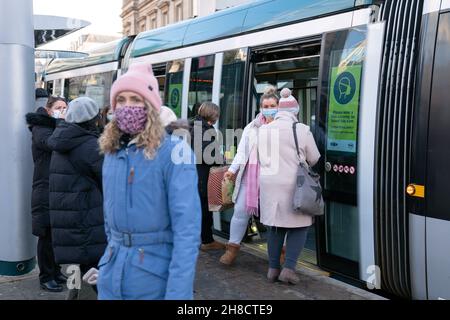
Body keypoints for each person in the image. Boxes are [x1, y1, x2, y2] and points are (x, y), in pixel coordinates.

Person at [97, 63, 201, 300]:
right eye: (120, 100)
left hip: (153, 279)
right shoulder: (111, 151)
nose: (127, 106)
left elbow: (187, 232)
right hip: (112, 274)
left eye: (135, 99)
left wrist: (178, 294)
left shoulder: (174, 151)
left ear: (150, 105)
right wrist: (107, 261)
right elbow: (107, 217)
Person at [258, 88, 320, 284]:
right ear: (295, 111)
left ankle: (273, 268)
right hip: (293, 185)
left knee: (275, 227)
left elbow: (261, 157)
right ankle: (289, 269)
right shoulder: (302, 130)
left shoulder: (264, 129)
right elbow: (314, 157)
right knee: (299, 226)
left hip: (268, 184)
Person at [47, 97, 106, 297]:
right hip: (87, 215)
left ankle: (74, 294)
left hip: (68, 215)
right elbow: (105, 181)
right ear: (93, 118)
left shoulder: (61, 139)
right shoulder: (90, 145)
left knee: (77, 263)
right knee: (96, 268)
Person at [219, 86, 278, 265]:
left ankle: (278, 253)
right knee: (240, 212)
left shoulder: (283, 127)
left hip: (273, 180)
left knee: (274, 218)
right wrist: (232, 170)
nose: (269, 109)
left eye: (272, 105)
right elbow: (242, 153)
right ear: (260, 107)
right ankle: (232, 249)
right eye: (265, 106)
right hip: (249, 179)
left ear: (278, 106)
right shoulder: (251, 127)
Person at [26, 96, 68, 293]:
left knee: (56, 233)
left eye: (65, 107)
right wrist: (61, 123)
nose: (62, 110)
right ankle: (45, 276)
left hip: (57, 186)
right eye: (59, 107)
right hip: (44, 187)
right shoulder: (40, 127)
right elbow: (51, 143)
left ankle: (56, 271)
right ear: (48, 110)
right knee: (46, 235)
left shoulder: (58, 126)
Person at [189, 102, 225, 251]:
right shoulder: (205, 130)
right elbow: (205, 155)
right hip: (202, 176)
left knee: (199, 209)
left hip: (194, 174)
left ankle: (201, 239)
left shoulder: (193, 126)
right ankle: (207, 241)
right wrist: (220, 158)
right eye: (216, 114)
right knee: (205, 210)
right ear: (213, 115)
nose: (217, 117)